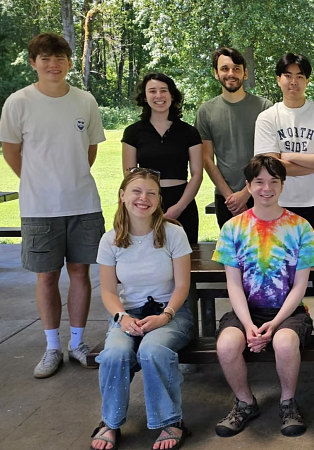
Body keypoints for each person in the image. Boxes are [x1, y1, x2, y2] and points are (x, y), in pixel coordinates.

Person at [0, 33, 106, 378]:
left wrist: (69, 177)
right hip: (39, 207)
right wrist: (37, 181)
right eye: (45, 58)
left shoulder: (84, 101)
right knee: (46, 276)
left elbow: (89, 150)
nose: (53, 64)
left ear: (69, 62)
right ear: (33, 62)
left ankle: (77, 343)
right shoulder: (18, 102)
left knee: (80, 273)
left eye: (59, 58)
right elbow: (12, 152)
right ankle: (52, 347)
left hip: (82, 202)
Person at [212, 155, 314, 438]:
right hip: (246, 310)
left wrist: (273, 326)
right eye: (259, 182)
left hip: (288, 312)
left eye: (274, 182)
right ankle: (245, 402)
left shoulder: (300, 227)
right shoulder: (233, 228)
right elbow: (233, 285)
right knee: (226, 346)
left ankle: (288, 403)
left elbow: (300, 287)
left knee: (285, 344)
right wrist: (248, 325)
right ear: (248, 186)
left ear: (282, 185)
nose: (266, 188)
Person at [91, 169, 194, 450]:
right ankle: (110, 423)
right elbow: (110, 292)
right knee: (114, 353)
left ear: (159, 199)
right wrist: (121, 318)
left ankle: (170, 421)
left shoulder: (173, 234)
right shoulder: (109, 240)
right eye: (136, 191)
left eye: (151, 193)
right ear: (123, 195)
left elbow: (183, 286)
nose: (143, 198)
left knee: (152, 350)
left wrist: (165, 316)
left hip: (171, 312)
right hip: (129, 314)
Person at [254, 52, 314, 335]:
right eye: (288, 75)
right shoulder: (268, 117)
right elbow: (269, 166)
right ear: (279, 79)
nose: (294, 82)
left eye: (300, 76)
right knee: (282, 270)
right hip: (281, 206)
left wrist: (288, 156)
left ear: (307, 80)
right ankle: (285, 326)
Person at [196, 47, 273, 228]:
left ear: (245, 74)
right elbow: (206, 159)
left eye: (236, 68)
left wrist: (246, 193)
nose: (231, 73)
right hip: (226, 198)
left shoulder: (264, 107)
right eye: (225, 68)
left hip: (263, 193)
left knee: (266, 252)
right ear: (216, 73)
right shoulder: (206, 111)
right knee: (232, 254)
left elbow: (269, 157)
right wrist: (231, 197)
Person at [122, 73, 203, 244]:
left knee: (184, 259)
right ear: (144, 97)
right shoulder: (133, 132)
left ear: (172, 95)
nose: (158, 96)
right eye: (152, 91)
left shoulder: (189, 132)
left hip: (183, 202)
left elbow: (197, 174)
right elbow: (129, 175)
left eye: (163, 91)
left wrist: (179, 208)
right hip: (145, 202)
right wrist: (146, 202)